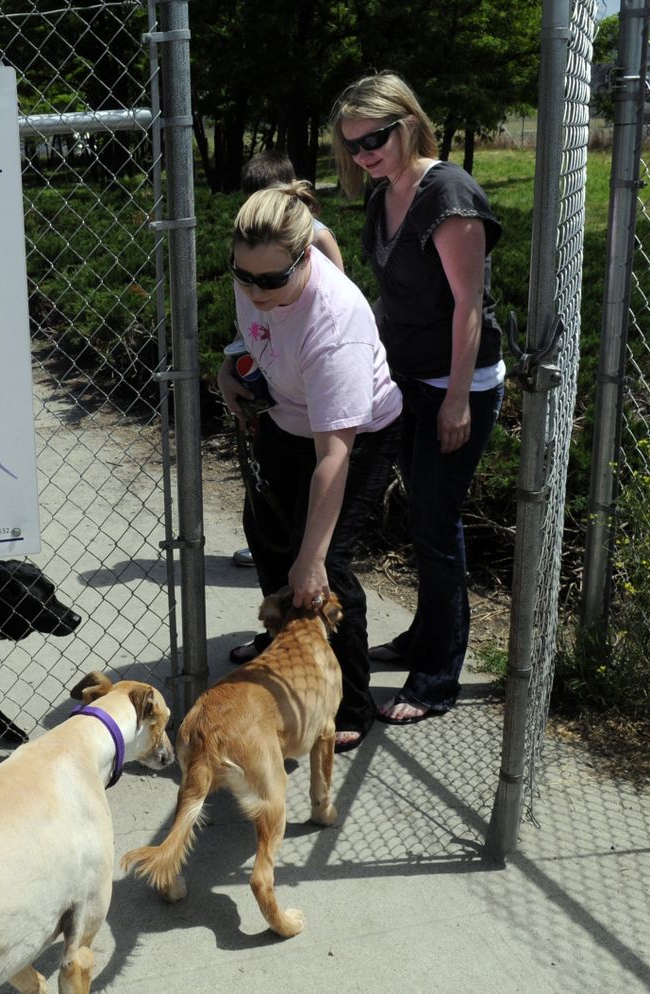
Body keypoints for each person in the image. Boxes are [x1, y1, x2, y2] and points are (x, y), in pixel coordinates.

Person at [329, 72, 506, 726]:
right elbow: (394, 295)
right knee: (421, 518)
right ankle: (420, 640)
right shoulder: (384, 192)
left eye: (375, 137)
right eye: (352, 144)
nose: (364, 152)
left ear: (408, 123)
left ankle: (437, 678)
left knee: (436, 527)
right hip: (405, 378)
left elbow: (468, 307)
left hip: (453, 384)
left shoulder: (449, 193)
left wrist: (457, 399)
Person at [218, 182, 403, 752]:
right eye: (243, 275)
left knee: (325, 568)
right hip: (286, 416)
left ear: (305, 259)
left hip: (356, 435)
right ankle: (286, 650)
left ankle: (351, 700)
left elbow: (335, 455)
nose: (254, 289)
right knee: (268, 536)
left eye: (272, 280)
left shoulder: (336, 322)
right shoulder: (259, 271)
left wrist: (313, 558)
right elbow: (254, 331)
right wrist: (232, 366)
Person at [230, 149, 344, 570]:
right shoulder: (248, 248)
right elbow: (252, 322)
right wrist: (235, 364)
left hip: (316, 398)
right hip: (277, 393)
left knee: (310, 513)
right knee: (267, 512)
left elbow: (328, 312)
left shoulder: (316, 240)